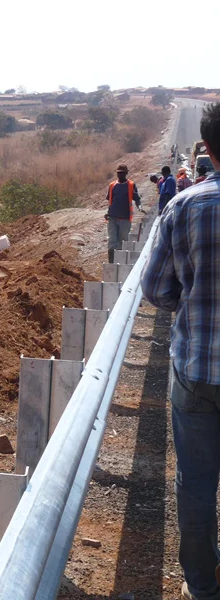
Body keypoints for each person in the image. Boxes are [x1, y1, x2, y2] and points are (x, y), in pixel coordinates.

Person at [141, 102, 220, 600]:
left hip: (195, 371)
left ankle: (202, 587)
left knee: (196, 485)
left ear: (208, 147)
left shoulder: (186, 205)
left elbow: (154, 288)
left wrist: (188, 309)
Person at [105, 163, 141, 263]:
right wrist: (108, 212)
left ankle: (120, 263)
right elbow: (111, 201)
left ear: (126, 173)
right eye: (119, 173)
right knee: (112, 241)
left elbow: (137, 199)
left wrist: (140, 207)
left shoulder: (131, 185)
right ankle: (112, 264)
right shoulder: (112, 185)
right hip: (112, 218)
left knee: (122, 241)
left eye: (122, 173)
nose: (120, 175)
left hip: (125, 218)